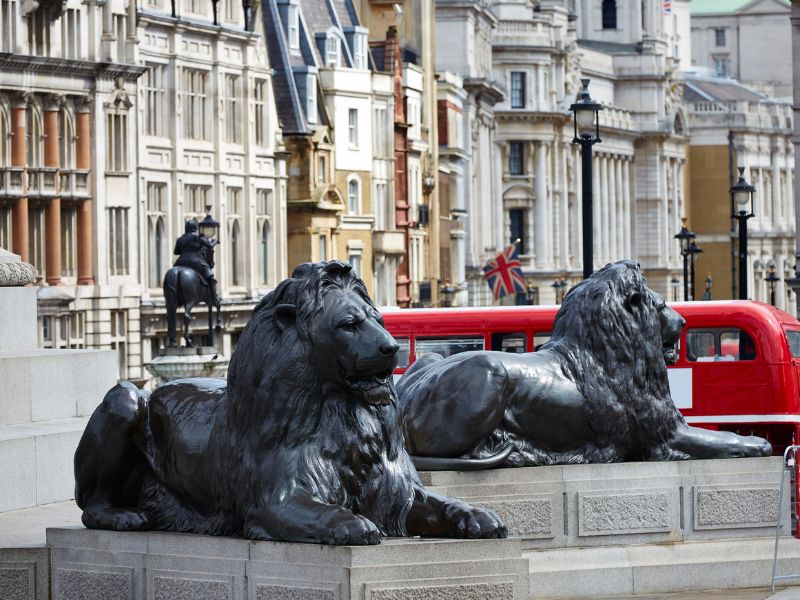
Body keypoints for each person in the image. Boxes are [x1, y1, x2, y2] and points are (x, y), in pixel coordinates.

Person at [174, 219, 219, 303]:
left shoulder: (180, 239)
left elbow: (176, 252)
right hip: (196, 262)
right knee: (211, 277)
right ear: (195, 228)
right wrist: (215, 241)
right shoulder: (197, 238)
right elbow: (209, 246)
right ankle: (215, 298)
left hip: (181, 262)